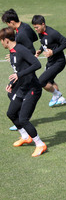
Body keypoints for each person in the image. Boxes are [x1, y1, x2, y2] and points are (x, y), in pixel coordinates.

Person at [1, 27, 46, 157]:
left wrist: (19, 75)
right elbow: (18, 71)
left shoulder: (20, 50)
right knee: (11, 113)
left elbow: (37, 64)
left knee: (23, 119)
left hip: (33, 89)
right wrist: (12, 83)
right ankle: (26, 136)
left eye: (1, 41)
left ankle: (40, 144)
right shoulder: (13, 52)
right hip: (22, 87)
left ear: (6, 40)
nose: (1, 43)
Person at [31, 15, 66, 107]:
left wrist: (53, 52)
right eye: (34, 27)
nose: (36, 29)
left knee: (41, 81)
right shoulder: (41, 32)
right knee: (50, 80)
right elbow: (44, 42)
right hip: (51, 62)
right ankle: (61, 99)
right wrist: (40, 50)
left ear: (43, 24)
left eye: (37, 27)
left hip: (59, 62)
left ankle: (57, 95)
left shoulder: (53, 33)